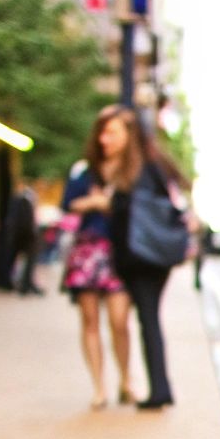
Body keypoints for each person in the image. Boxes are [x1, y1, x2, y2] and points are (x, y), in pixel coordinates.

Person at [74, 104, 186, 411]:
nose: (104, 139)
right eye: (102, 133)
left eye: (111, 132)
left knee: (142, 317)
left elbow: (158, 206)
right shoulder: (118, 168)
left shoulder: (145, 169)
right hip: (131, 255)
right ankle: (152, 385)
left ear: (129, 134)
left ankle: (156, 387)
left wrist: (107, 201)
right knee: (142, 319)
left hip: (144, 255)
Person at [62, 150, 136, 409]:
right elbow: (68, 203)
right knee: (90, 321)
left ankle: (126, 380)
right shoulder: (82, 170)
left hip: (119, 251)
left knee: (120, 321)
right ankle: (99, 387)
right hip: (88, 249)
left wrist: (106, 203)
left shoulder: (130, 169)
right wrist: (94, 203)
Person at [3, 178, 41, 294]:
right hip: (24, 236)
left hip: (25, 235)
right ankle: (23, 284)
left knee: (28, 261)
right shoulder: (21, 200)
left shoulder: (26, 199)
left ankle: (27, 283)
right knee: (24, 260)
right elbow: (22, 221)